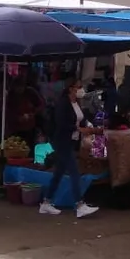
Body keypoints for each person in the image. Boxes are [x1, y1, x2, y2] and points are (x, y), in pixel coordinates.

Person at [40, 77, 100, 219]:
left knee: (59, 173)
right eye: (79, 87)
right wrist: (79, 129)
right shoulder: (63, 104)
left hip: (71, 141)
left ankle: (46, 202)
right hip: (62, 142)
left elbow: (81, 119)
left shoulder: (76, 103)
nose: (81, 89)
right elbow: (61, 123)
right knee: (74, 171)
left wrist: (90, 127)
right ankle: (79, 205)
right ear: (71, 88)